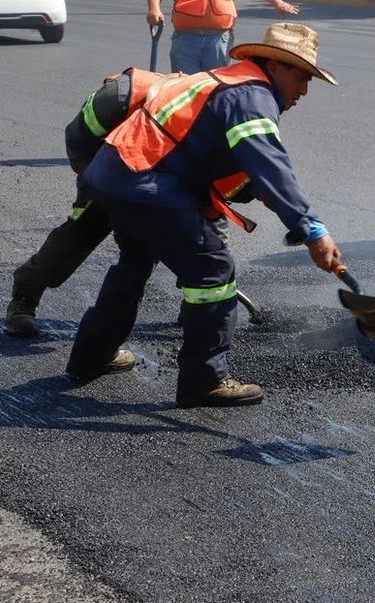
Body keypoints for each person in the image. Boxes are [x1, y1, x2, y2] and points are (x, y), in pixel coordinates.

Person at [67, 23, 344, 409]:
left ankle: (91, 356)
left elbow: (234, 163)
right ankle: (205, 380)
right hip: (146, 183)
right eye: (301, 77)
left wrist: (271, 197)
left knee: (135, 262)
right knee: (213, 272)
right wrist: (312, 228)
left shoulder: (228, 81)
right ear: (275, 66)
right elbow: (270, 164)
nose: (304, 90)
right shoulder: (252, 96)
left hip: (115, 175)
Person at [4, 68, 163, 337]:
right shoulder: (116, 100)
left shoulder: (205, 123)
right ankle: (24, 296)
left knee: (160, 244)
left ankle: (193, 313)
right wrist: (100, 187)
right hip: (103, 159)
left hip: (157, 170)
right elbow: (78, 141)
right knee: (85, 228)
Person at [146, 0, 299, 74]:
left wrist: (277, 2)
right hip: (186, 39)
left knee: (215, 89)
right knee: (184, 89)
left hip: (219, 39)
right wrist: (154, 9)